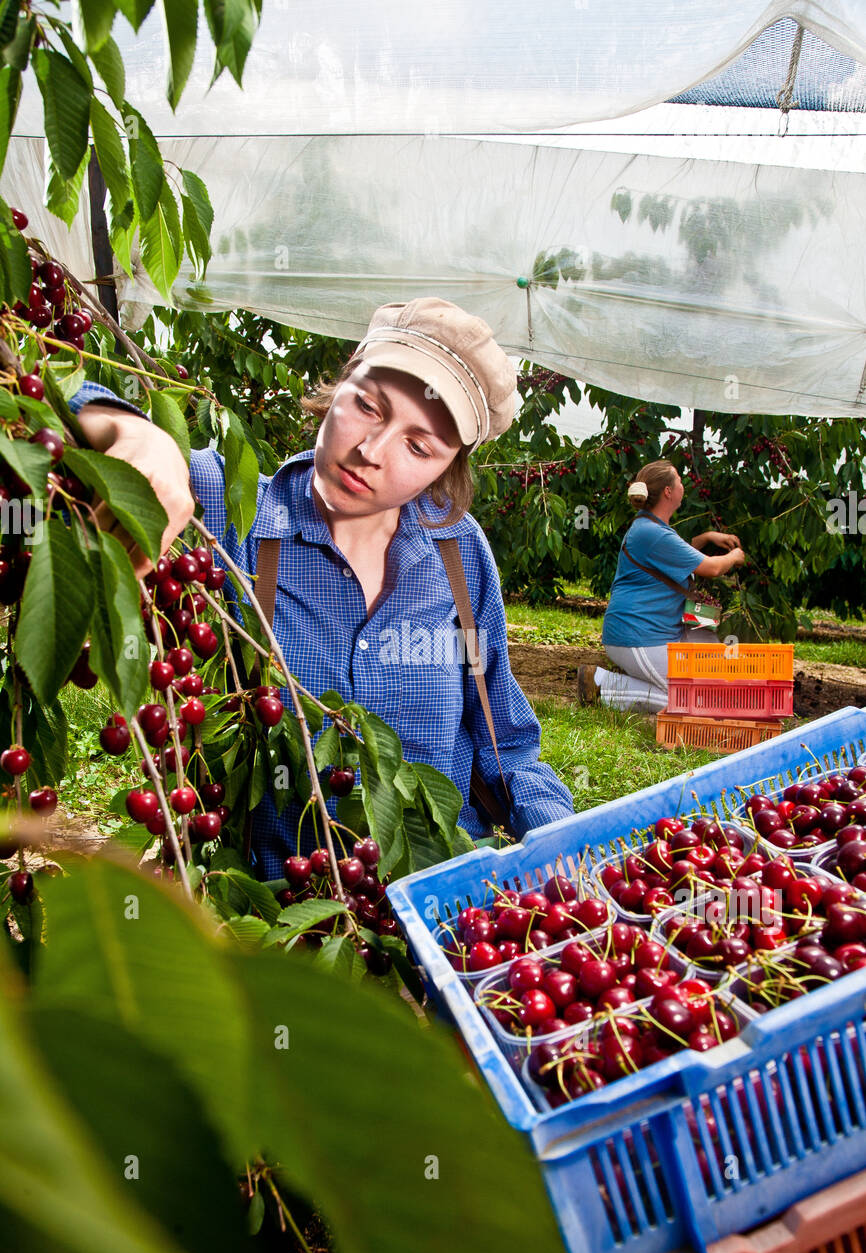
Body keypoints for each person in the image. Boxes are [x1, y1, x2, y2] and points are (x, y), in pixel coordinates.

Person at [69, 297, 574, 877]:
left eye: (419, 446)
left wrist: (562, 845)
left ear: (450, 465)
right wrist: (140, 436)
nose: (371, 452)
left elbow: (503, 743)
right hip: (282, 902)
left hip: (442, 901)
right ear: (339, 383)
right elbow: (46, 414)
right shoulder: (236, 509)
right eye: (367, 405)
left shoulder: (458, 553)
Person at [573, 460, 745, 714]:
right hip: (638, 638)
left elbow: (677, 552)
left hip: (650, 635)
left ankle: (609, 683)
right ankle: (603, 686)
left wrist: (707, 537)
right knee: (696, 701)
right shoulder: (652, 533)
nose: (682, 485)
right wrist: (735, 556)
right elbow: (711, 568)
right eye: (678, 479)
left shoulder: (651, 529)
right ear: (667, 491)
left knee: (706, 690)